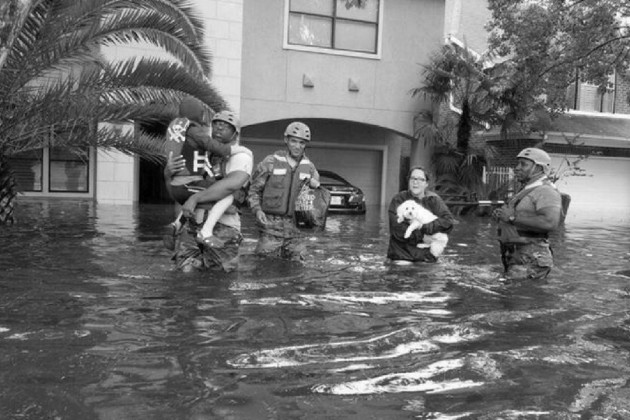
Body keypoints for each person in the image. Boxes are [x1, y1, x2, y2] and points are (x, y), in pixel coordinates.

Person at [164, 108, 253, 273]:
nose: (219, 128)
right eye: (216, 124)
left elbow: (230, 185)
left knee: (219, 284)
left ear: (236, 133)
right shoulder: (203, 155)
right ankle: (177, 226)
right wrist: (168, 175)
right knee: (183, 276)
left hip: (223, 228)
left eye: (225, 126)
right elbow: (178, 196)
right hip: (192, 226)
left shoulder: (242, 157)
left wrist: (195, 198)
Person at [247, 121, 320, 261]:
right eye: (294, 141)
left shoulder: (310, 168)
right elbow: (254, 190)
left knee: (297, 270)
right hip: (270, 228)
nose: (297, 146)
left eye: (302, 143)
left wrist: (315, 185)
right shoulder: (270, 162)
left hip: (297, 232)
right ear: (286, 140)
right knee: (264, 267)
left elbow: (316, 199)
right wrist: (257, 210)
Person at [492, 147, 562, 282]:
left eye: (524, 164)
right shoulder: (526, 190)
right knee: (509, 297)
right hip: (517, 256)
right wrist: (502, 216)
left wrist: (512, 218)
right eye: (517, 164)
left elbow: (550, 222)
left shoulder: (546, 191)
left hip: (531, 259)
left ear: (539, 168)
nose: (517, 168)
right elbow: (515, 218)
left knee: (518, 298)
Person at [387, 166, 455, 263]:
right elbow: (397, 231)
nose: (416, 182)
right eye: (413, 178)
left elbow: (448, 222)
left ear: (426, 183)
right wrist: (423, 236)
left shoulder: (434, 200)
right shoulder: (399, 199)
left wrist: (424, 227)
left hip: (427, 256)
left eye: (421, 179)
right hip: (402, 255)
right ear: (409, 181)